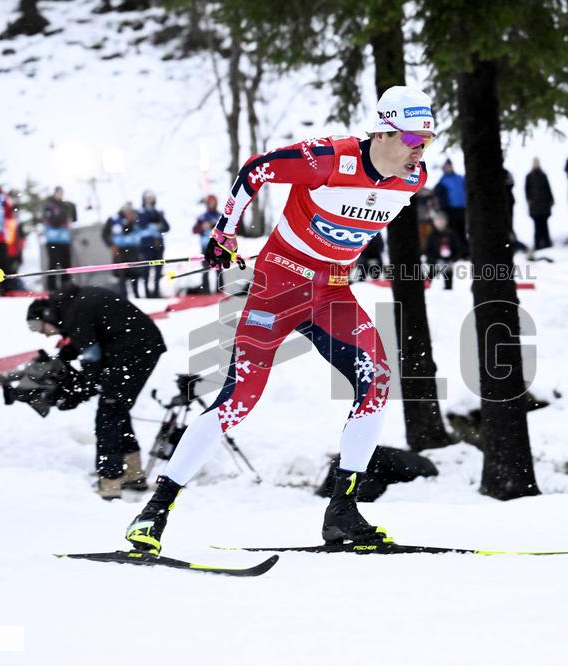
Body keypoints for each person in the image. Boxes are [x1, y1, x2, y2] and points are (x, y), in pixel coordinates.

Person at [125, 85, 436, 555]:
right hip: (279, 289)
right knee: (238, 401)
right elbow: (256, 169)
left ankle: (343, 510)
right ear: (382, 132)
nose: (420, 150)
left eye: (428, 140)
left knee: (376, 380)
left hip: (332, 292)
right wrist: (224, 233)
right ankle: (155, 511)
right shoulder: (329, 159)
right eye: (413, 138)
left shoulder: (413, 179)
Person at [26, 284, 166, 499]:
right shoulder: (72, 306)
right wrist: (65, 357)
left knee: (109, 413)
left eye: (38, 327)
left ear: (47, 316)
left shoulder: (75, 313)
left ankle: (110, 481)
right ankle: (132, 473)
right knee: (116, 409)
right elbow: (88, 338)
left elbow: (92, 358)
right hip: (139, 346)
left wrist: (81, 390)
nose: (44, 334)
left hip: (134, 351)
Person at [101, 202, 144, 298]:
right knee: (122, 276)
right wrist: (111, 245)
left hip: (133, 250)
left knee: (135, 274)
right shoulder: (113, 219)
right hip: (119, 251)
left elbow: (137, 231)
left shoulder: (135, 219)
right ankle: (123, 297)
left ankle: (137, 296)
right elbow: (104, 234)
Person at [41, 186, 77, 291]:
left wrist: (72, 208)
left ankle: (66, 288)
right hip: (53, 240)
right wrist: (62, 214)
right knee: (54, 264)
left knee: (66, 264)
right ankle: (51, 289)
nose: (60, 195)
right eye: (58, 193)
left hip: (64, 240)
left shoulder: (65, 206)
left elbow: (74, 219)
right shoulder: (49, 206)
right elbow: (53, 221)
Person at [137, 190, 170, 298]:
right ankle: (146, 292)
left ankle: (156, 291)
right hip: (147, 245)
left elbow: (166, 227)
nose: (150, 200)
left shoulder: (158, 212)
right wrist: (154, 223)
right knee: (146, 269)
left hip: (158, 245)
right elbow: (141, 224)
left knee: (158, 269)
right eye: (148, 198)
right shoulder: (141, 212)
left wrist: (157, 223)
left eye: (151, 198)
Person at [433, 158, 468, 259]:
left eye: (448, 166)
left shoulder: (459, 178)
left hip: (462, 209)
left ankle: (465, 253)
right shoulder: (442, 181)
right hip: (450, 210)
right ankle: (456, 253)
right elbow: (438, 195)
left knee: (462, 231)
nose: (447, 168)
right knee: (453, 232)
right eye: (445, 166)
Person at [423, 210, 460, 290]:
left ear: (446, 221)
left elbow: (458, 250)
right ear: (434, 222)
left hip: (448, 263)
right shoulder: (431, 236)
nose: (440, 222)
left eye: (441, 220)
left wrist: (452, 261)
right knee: (429, 278)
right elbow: (427, 251)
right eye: (438, 220)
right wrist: (435, 262)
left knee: (448, 284)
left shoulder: (452, 234)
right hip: (435, 263)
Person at [192, 195, 221, 294]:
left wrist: (215, 225)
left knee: (219, 269)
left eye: (213, 203)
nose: (211, 205)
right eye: (210, 203)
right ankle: (205, 291)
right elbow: (194, 230)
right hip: (205, 247)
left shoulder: (220, 216)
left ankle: (219, 290)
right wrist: (202, 227)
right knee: (205, 269)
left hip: (218, 247)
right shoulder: (202, 217)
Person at [524, 158, 554, 250]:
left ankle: (546, 243)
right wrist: (529, 201)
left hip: (544, 205)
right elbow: (527, 190)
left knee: (544, 225)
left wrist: (551, 200)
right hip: (535, 206)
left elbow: (548, 189)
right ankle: (538, 245)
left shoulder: (543, 175)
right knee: (537, 226)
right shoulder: (529, 176)